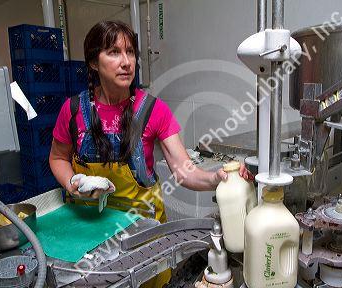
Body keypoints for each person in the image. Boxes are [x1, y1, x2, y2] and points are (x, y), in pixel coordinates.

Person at [49, 20, 253, 287]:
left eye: (130, 52)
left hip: (142, 236)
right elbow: (57, 158)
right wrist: (72, 184)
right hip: (88, 233)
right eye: (114, 52)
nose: (126, 62)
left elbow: (184, 171)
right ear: (93, 63)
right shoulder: (73, 110)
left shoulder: (153, 110)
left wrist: (217, 178)